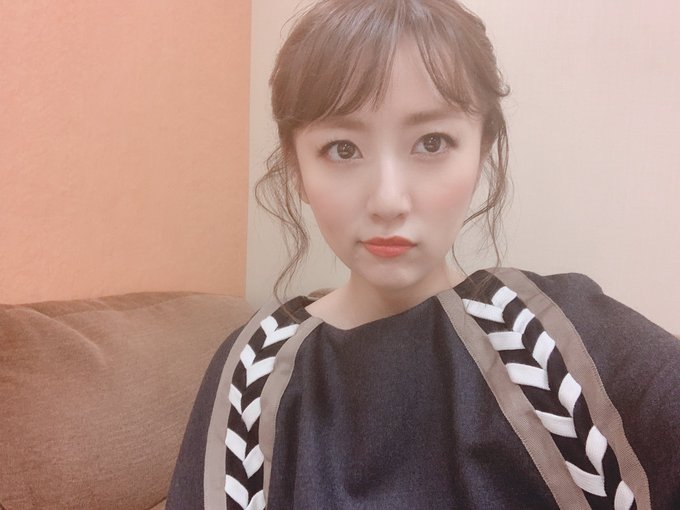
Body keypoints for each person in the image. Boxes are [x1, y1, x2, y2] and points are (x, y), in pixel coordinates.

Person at [167, 1, 680, 508]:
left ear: (481, 150)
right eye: (343, 149)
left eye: (431, 142)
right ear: (297, 167)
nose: (388, 201)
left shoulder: (558, 340)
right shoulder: (251, 369)